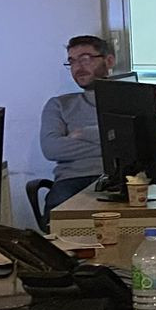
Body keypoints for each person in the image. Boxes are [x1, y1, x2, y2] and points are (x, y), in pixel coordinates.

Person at [38, 35, 116, 210]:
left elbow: (144, 144)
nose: (78, 67)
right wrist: (114, 144)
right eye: (72, 61)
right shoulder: (58, 105)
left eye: (85, 59)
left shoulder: (131, 100)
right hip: (73, 180)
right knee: (61, 215)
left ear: (109, 61)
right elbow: (52, 149)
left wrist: (83, 134)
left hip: (121, 178)